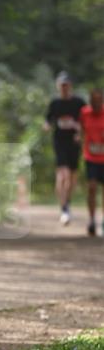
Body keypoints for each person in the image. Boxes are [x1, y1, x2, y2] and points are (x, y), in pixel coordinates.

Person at [43, 71, 85, 225]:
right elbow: (47, 120)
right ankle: (64, 209)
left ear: (70, 86)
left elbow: (86, 121)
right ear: (58, 86)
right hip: (59, 142)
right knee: (63, 174)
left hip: (74, 143)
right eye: (61, 86)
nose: (64, 88)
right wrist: (46, 126)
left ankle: (67, 203)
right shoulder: (55, 104)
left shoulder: (79, 103)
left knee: (72, 178)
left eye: (66, 85)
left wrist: (80, 132)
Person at [79, 87, 104, 237]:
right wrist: (80, 139)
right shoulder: (84, 112)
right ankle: (92, 219)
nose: (96, 104)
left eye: (99, 100)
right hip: (91, 156)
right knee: (92, 187)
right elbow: (81, 129)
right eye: (93, 101)